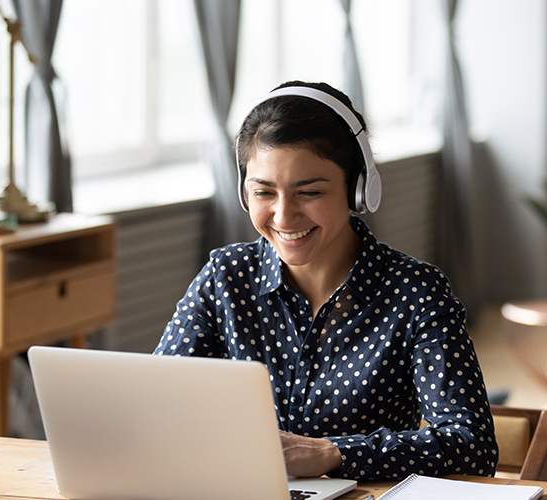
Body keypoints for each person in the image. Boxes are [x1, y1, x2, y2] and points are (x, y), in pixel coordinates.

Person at [154, 81, 498, 481]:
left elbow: (472, 445)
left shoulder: (416, 292)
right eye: (264, 192)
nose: (283, 217)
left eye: (309, 192)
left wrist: (331, 453)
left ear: (358, 190)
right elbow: (158, 404)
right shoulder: (225, 277)